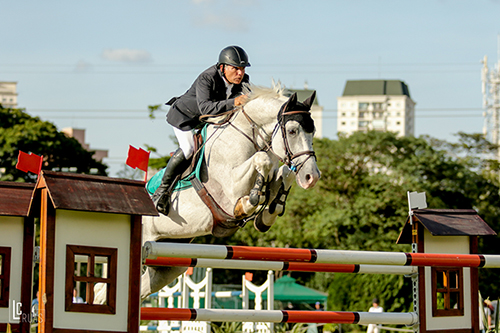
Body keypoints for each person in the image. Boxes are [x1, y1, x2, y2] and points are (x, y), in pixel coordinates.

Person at [153, 45, 251, 215]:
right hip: (184, 117)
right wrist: (234, 102)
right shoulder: (207, 78)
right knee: (188, 149)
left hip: (206, 120)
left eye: (242, 69)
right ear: (223, 67)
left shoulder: (243, 81)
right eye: (235, 68)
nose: (240, 73)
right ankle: (161, 191)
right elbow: (206, 108)